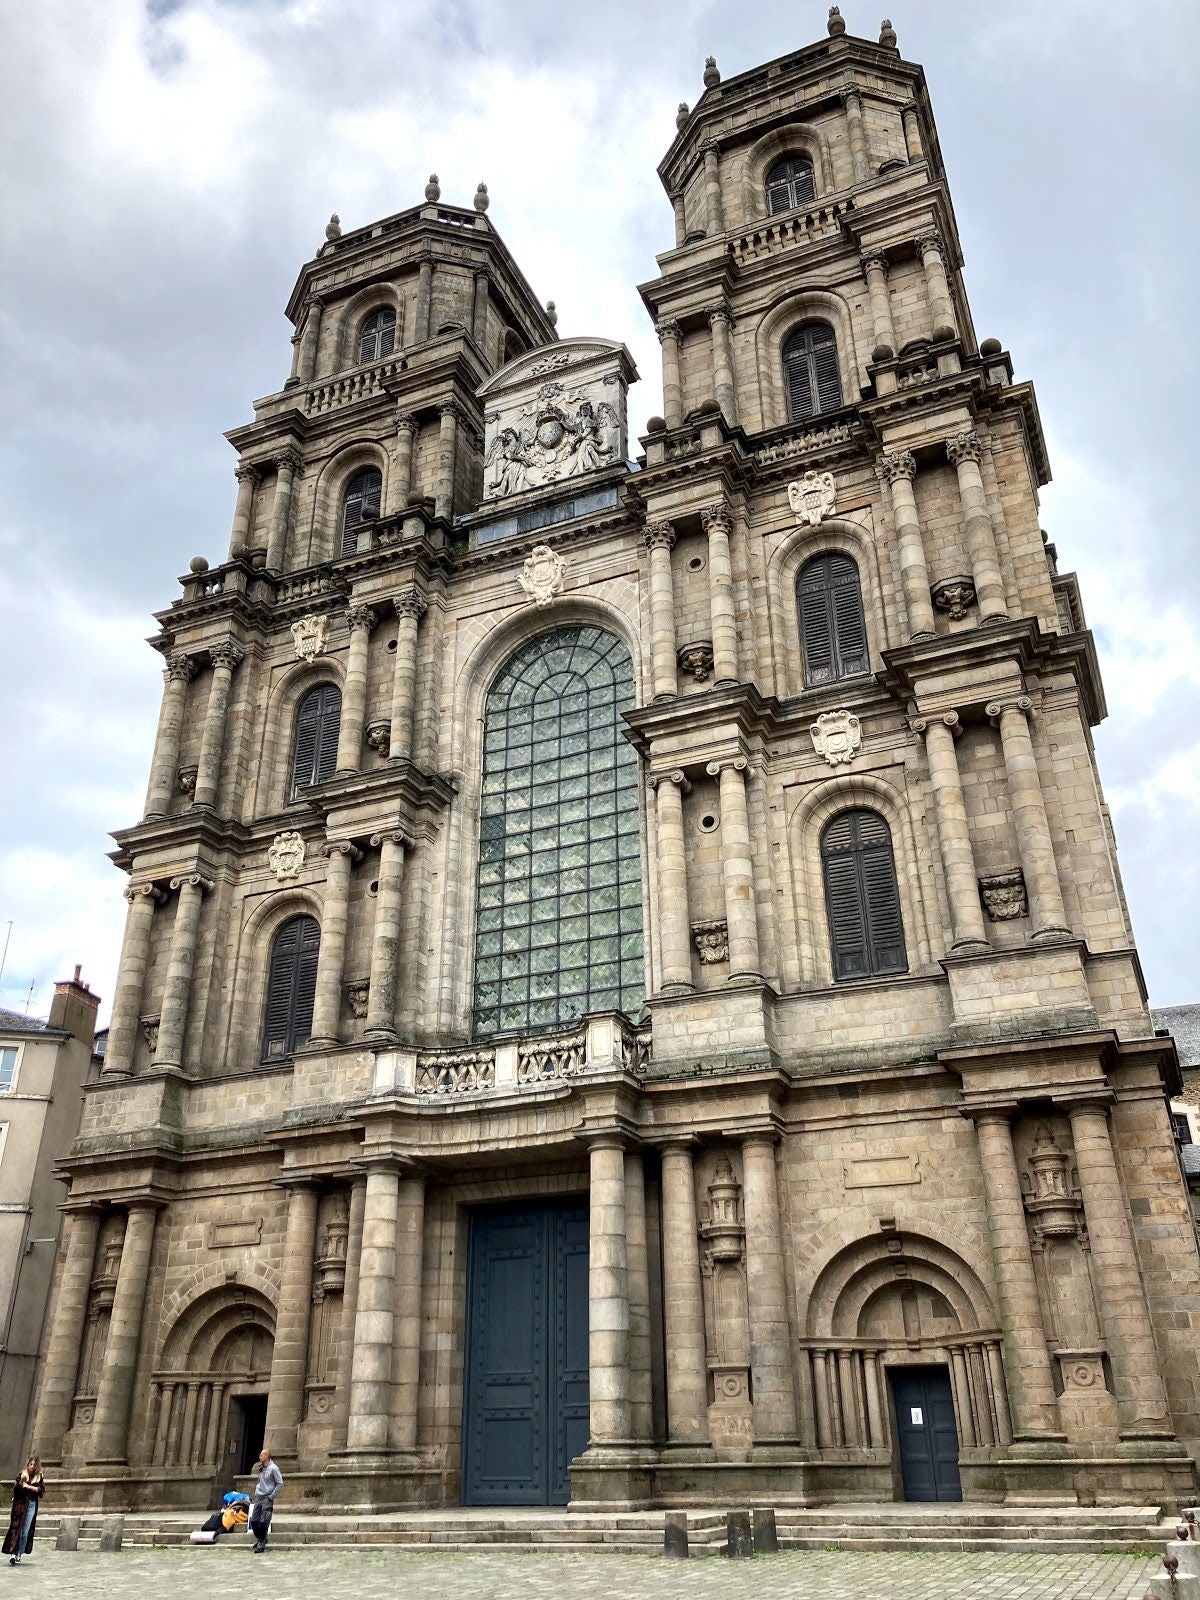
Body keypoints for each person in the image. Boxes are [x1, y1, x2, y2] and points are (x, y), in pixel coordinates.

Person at [3, 1459, 44, 1567]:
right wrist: (20, 1484)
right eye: (30, 1464)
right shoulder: (22, 1475)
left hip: (31, 1505)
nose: (31, 1467)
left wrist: (29, 1486)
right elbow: (16, 1490)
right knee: (16, 1529)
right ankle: (13, 1554)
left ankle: (19, 1554)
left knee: (25, 1532)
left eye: (34, 1465)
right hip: (20, 1506)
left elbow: (41, 1490)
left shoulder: (38, 1477)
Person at [249, 1449, 282, 1553]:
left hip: (267, 1497)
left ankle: (261, 1544)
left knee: (264, 1522)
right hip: (259, 1496)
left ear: (267, 1456)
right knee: (254, 1521)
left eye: (261, 1455)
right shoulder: (261, 1468)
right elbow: (260, 1480)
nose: (259, 1456)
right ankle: (261, 1538)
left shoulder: (274, 1468)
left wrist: (271, 1496)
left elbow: (280, 1483)